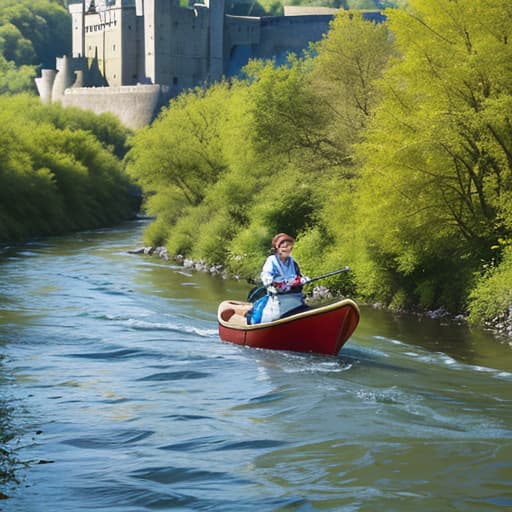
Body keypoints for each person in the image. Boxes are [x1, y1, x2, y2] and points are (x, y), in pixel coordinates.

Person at [259, 233, 310, 323]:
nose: (287, 249)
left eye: (289, 246)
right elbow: (266, 276)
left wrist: (303, 280)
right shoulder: (271, 260)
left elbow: (298, 276)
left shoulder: (293, 262)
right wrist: (274, 284)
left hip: (295, 299)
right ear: (277, 249)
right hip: (278, 301)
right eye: (283, 247)